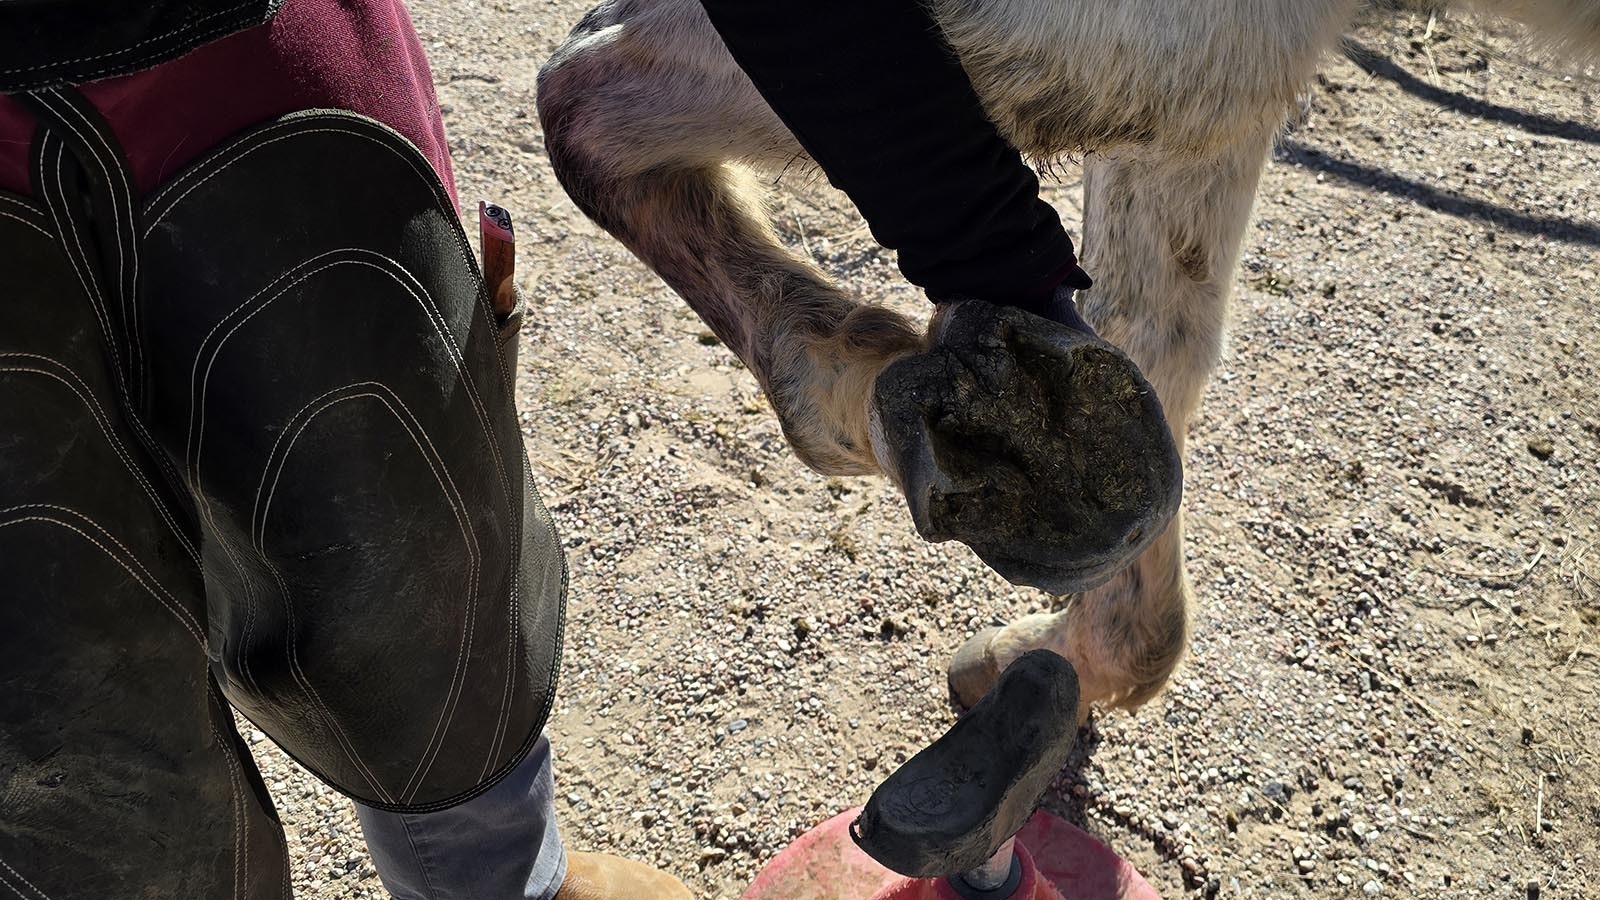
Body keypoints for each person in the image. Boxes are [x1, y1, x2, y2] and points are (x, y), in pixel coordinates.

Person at [0, 0, 1080, 897]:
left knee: (420, 588)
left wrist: (1000, 272)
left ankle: (501, 886)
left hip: (255, 73)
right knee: (70, 756)